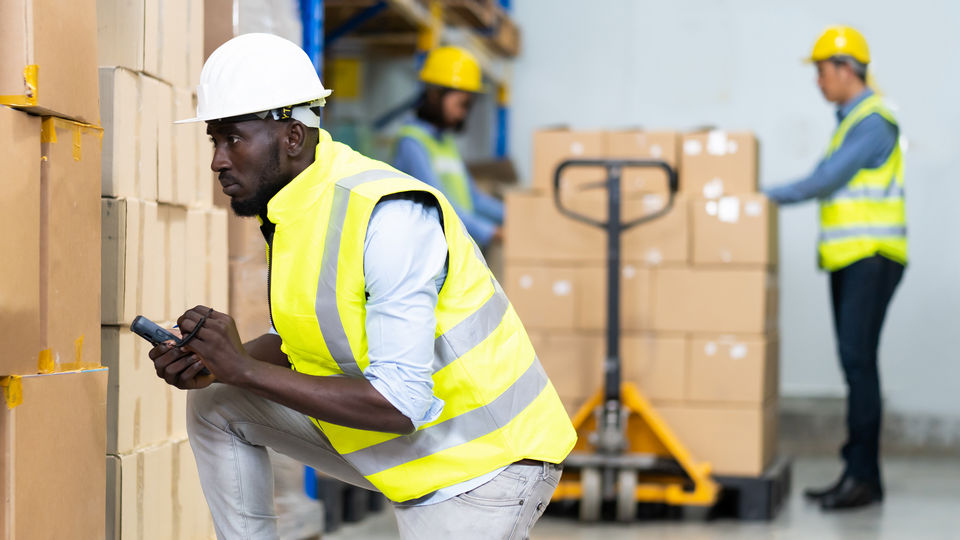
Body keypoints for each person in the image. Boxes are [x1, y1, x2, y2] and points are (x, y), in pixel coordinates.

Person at [152, 33, 576, 539]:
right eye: (213, 141)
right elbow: (306, 344)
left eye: (233, 139)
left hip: (485, 464)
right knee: (215, 401)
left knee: (235, 386)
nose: (218, 161)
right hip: (419, 446)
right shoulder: (294, 212)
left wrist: (241, 368)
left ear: (291, 137)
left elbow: (400, 403)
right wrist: (217, 362)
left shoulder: (388, 216)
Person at [765, 25, 906, 511]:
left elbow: (823, 182)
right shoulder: (852, 120)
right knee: (857, 366)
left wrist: (757, 197)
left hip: (871, 257)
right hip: (854, 259)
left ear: (847, 69)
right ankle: (858, 473)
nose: (818, 81)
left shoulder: (872, 122)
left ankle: (863, 478)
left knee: (859, 366)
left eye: (822, 71)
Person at [392, 46, 505, 249]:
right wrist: (492, 232)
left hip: (451, 249)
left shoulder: (446, 143)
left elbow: (474, 198)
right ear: (435, 95)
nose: (463, 114)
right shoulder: (412, 143)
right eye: (461, 104)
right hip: (428, 255)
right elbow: (442, 205)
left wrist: (517, 214)